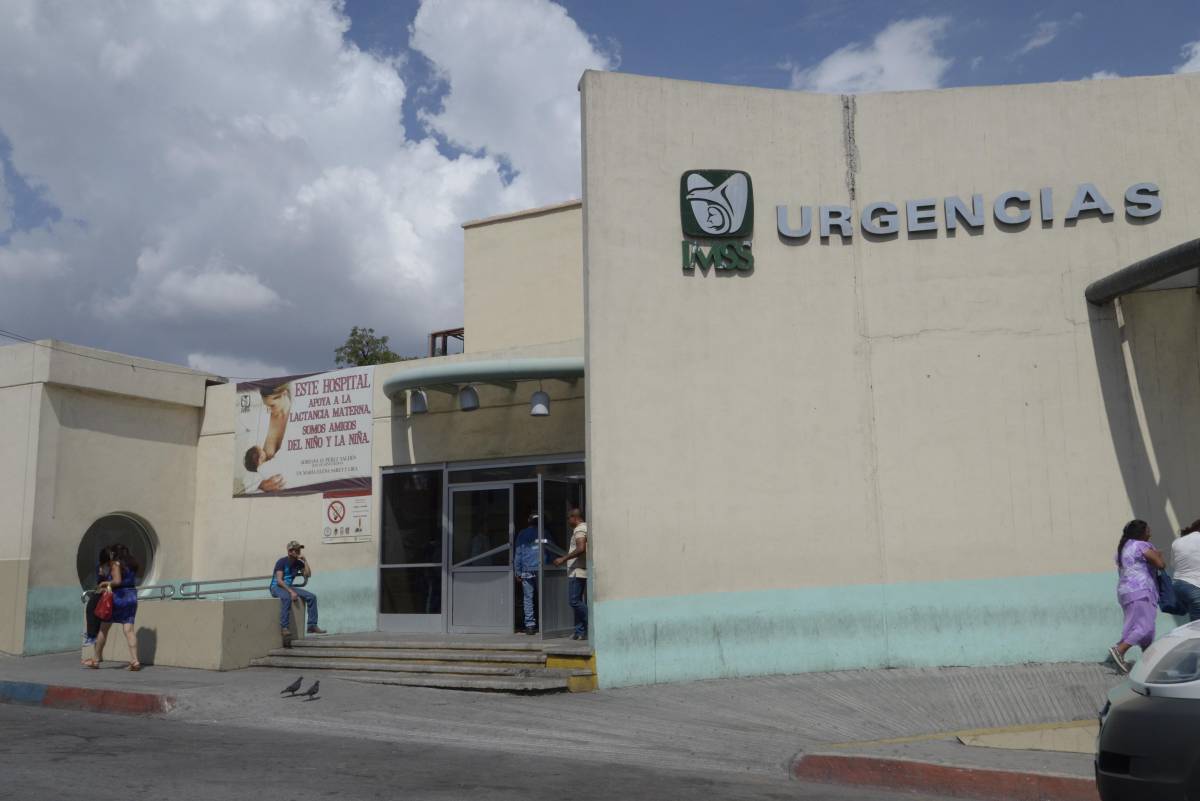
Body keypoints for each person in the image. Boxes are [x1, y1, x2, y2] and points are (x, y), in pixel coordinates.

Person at [1110, 519, 1165, 674]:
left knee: (1144, 627)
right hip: (1141, 590)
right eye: (1148, 530)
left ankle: (1148, 662)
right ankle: (1120, 650)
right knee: (1144, 626)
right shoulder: (1142, 545)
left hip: (1126, 592)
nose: (1150, 533)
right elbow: (1160, 565)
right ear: (1141, 533)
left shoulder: (1122, 548)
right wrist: (1159, 556)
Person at [88, 543, 142, 671]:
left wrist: (105, 582)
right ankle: (135, 661)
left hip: (118, 597)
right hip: (131, 597)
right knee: (129, 630)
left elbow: (117, 581)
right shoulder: (132, 564)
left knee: (103, 629)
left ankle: (95, 660)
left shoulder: (116, 564)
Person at [271, 541, 325, 637]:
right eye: (297, 550)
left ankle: (312, 625)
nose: (299, 552)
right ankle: (284, 628)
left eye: (299, 550)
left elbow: (308, 574)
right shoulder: (281, 562)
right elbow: (279, 581)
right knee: (286, 598)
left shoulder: (298, 563)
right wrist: (291, 592)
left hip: (288, 587)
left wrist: (305, 561)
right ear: (290, 551)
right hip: (277, 587)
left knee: (312, 597)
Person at [554, 508, 588, 640]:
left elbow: (581, 548)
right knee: (577, 601)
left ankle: (592, 621)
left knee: (574, 601)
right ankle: (579, 632)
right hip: (579, 570)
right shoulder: (584, 528)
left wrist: (563, 559)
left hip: (577, 571)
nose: (568, 521)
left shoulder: (579, 529)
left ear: (575, 517)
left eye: (569, 518)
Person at [81, 546, 113, 663]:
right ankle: (97, 654)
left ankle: (97, 655)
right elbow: (100, 583)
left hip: (105, 596)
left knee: (101, 627)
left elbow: (110, 582)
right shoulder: (101, 566)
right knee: (96, 623)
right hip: (100, 595)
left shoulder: (112, 567)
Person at [513, 513, 541, 634]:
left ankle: (530, 625)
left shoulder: (522, 534)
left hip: (527, 569)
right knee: (543, 597)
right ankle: (545, 623)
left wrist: (518, 572)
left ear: (529, 521)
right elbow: (549, 549)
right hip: (541, 569)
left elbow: (518, 553)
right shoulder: (544, 532)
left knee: (528, 598)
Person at [1172, 519, 1200, 621]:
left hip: (1178, 585)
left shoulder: (1177, 541)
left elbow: (1173, 564)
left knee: (1194, 623)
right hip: (1195, 585)